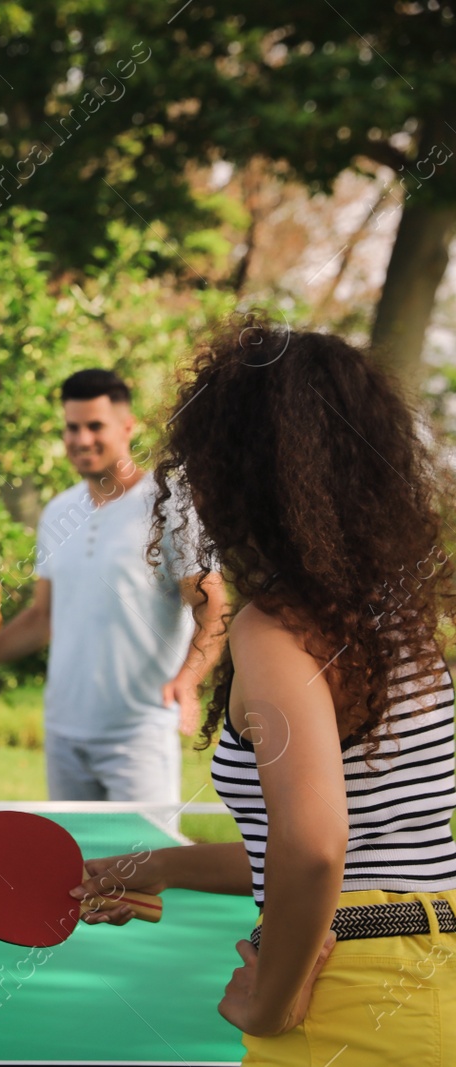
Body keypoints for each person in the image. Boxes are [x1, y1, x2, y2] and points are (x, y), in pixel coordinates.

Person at [75, 325, 456, 1064]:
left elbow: (315, 848)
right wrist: (157, 865)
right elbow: (357, 852)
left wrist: (272, 1005)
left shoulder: (276, 630)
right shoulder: (397, 620)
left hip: (353, 995)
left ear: (238, 474)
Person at [0, 368, 228, 804]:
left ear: (127, 427)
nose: (82, 439)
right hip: (65, 734)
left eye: (95, 426)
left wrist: (189, 678)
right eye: (72, 427)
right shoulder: (58, 511)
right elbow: (41, 619)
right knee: (76, 870)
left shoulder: (171, 505)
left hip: (139, 733)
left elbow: (213, 605)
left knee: (140, 870)